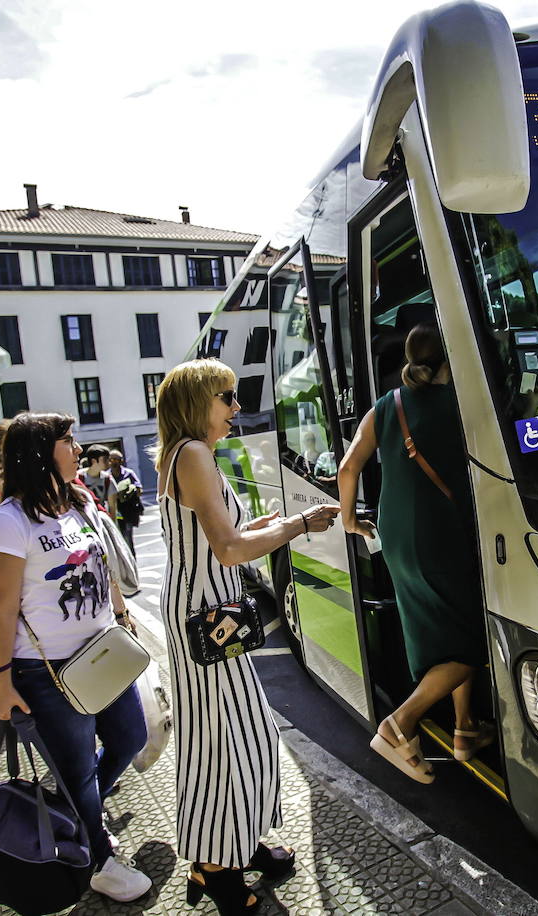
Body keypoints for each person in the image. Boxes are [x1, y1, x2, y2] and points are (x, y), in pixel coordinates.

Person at [155, 359, 339, 914]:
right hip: (204, 618)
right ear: (197, 402)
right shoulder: (191, 454)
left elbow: (226, 536)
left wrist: (266, 525)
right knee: (220, 741)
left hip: (207, 610)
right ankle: (215, 869)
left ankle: (239, 842)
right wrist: (300, 525)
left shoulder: (189, 454)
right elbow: (229, 551)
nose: (237, 408)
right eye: (227, 398)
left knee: (245, 731)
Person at [0, 412, 151, 902]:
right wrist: (3, 683)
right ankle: (96, 859)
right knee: (76, 770)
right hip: (47, 671)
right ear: (38, 453)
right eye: (67, 441)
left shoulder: (74, 504)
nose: (78, 449)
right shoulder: (7, 524)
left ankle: (76, 811)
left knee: (130, 738)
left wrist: (119, 610)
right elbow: (0, 610)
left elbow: (103, 563)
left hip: (102, 655)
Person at [338, 323, 491, 782]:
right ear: (449, 359)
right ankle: (399, 724)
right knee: (474, 639)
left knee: (444, 626)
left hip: (397, 533)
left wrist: (349, 519)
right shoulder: (461, 401)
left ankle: (464, 729)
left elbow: (348, 468)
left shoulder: (386, 406)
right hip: (442, 532)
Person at [108, 449, 142, 555]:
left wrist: (129, 490)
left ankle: (132, 562)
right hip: (113, 511)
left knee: (127, 538)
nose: (114, 462)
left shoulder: (129, 473)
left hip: (127, 511)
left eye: (116, 459)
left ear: (121, 461)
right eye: (111, 459)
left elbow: (139, 489)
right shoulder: (106, 476)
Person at [78, 444, 118, 517]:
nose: (109, 463)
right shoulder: (78, 477)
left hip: (101, 517)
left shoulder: (107, 479)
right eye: (105, 460)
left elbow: (112, 508)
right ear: (93, 461)